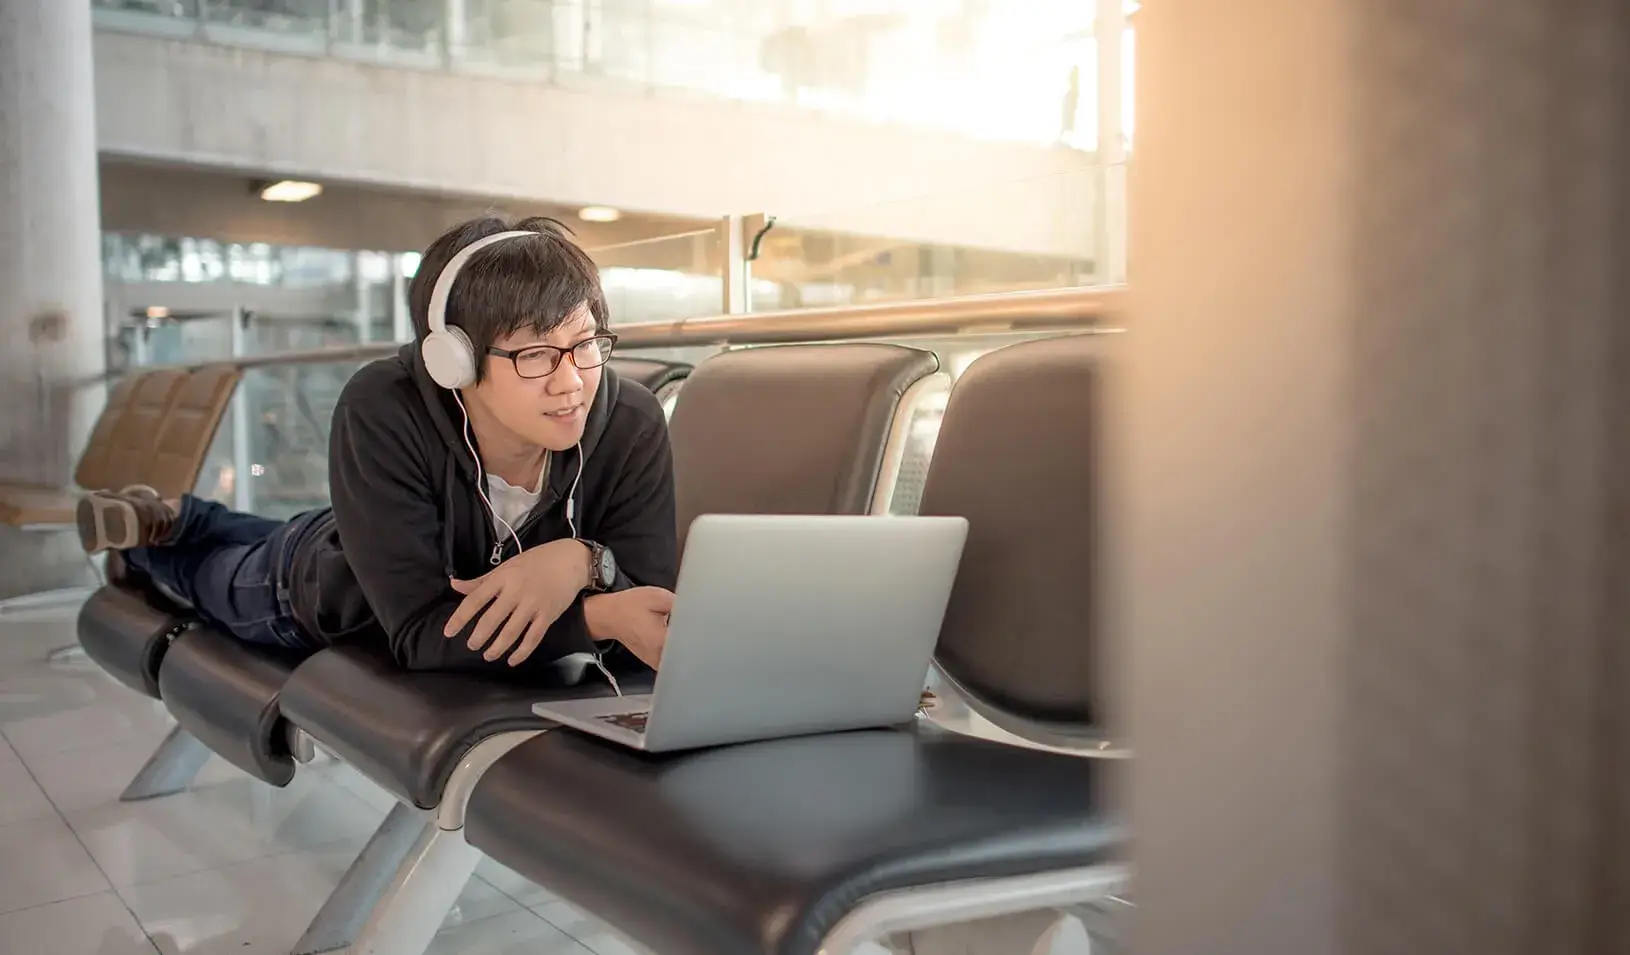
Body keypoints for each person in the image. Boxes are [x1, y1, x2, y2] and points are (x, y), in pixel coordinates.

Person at [75, 217, 678, 685]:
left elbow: (647, 606)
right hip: (322, 588)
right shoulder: (382, 405)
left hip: (369, 538)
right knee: (214, 578)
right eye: (535, 355)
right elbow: (418, 633)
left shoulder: (630, 421)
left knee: (267, 532)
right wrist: (596, 616)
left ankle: (186, 515)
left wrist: (581, 562)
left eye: (586, 342)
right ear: (456, 361)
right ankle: (148, 540)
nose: (571, 380)